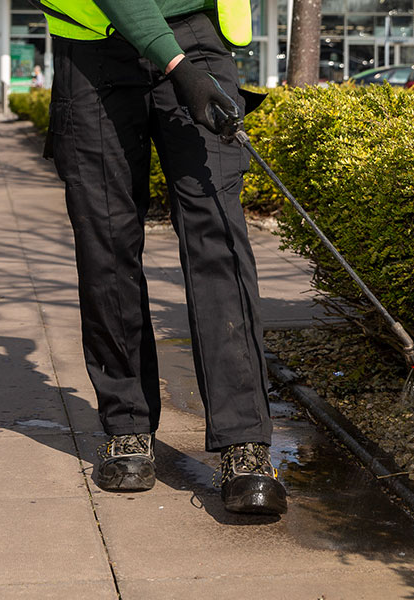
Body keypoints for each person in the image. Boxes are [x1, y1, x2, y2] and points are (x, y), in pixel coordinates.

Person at [38, 0, 287, 515]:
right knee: (107, 241)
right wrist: (177, 68)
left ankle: (246, 441)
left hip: (196, 37)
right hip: (93, 49)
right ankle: (128, 423)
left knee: (218, 234)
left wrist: (188, 64)